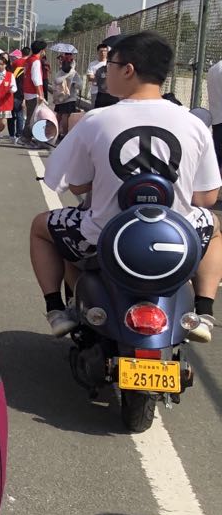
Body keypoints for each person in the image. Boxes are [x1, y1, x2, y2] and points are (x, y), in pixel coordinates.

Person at [33, 31, 221, 341]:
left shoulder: (96, 120)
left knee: (42, 228)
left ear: (128, 70)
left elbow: (76, 186)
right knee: (213, 226)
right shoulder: (193, 124)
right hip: (176, 241)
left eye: (111, 65)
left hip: (102, 238)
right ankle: (204, 311)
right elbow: (207, 196)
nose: (105, 73)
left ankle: (57, 310)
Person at [18, 39, 49, 141]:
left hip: (27, 91)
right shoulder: (35, 61)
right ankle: (25, 138)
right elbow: (36, 79)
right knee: (32, 117)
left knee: (31, 116)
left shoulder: (28, 60)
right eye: (44, 50)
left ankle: (28, 137)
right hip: (33, 93)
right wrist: (40, 95)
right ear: (42, 50)